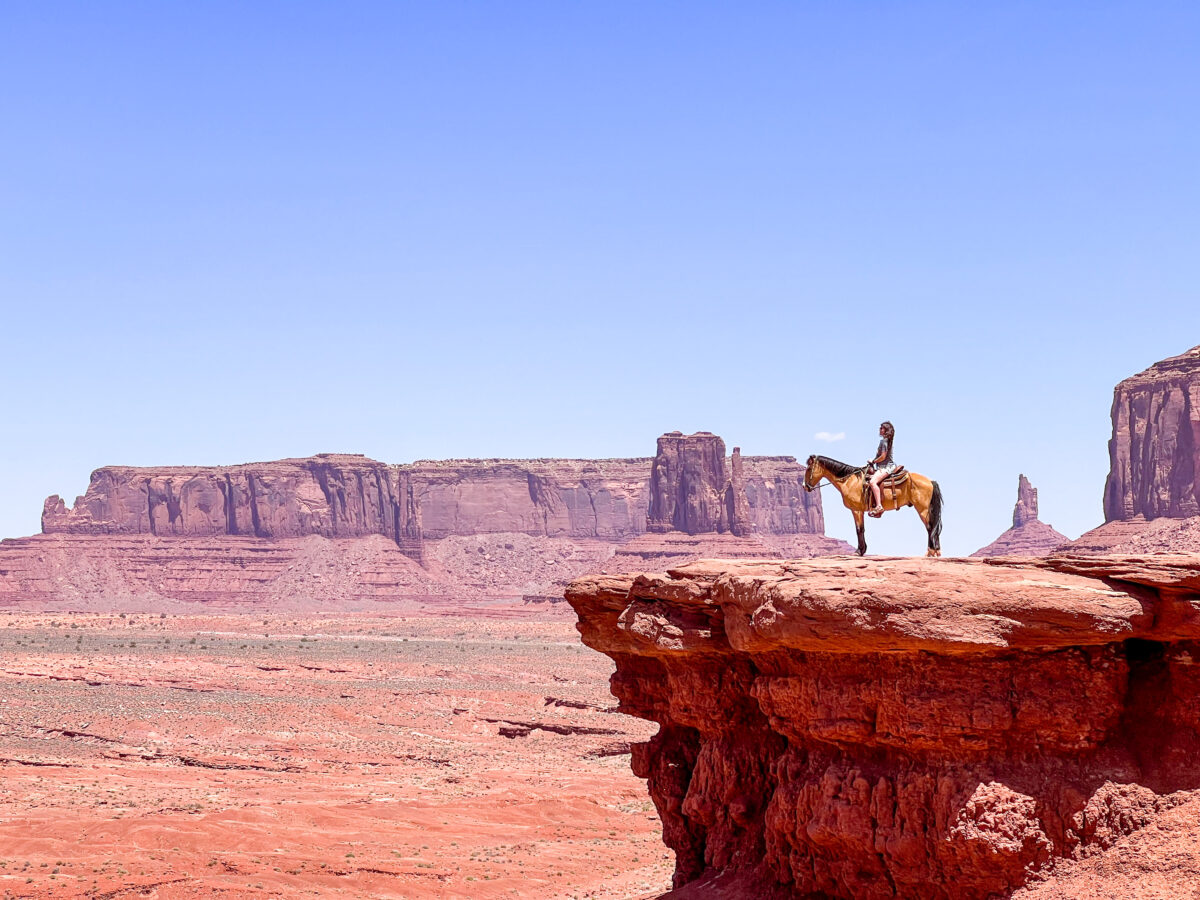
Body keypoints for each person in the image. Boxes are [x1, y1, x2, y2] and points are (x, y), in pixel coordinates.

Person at [866, 421, 897, 517]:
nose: (879, 430)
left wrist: (873, 461)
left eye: (881, 428)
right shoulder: (887, 440)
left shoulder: (884, 441)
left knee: (872, 482)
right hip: (885, 466)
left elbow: (883, 457)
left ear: (885, 430)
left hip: (886, 467)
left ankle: (879, 506)